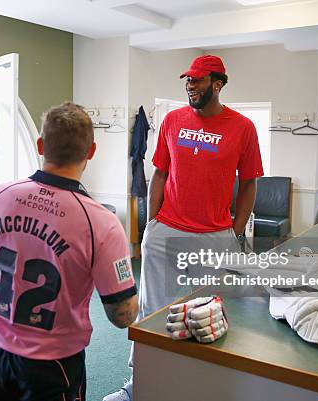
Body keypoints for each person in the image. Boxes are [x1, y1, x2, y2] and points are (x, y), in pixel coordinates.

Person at [104, 55, 264, 401]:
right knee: (152, 313)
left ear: (217, 84)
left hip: (215, 237)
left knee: (210, 314)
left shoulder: (243, 127)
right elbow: (160, 173)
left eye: (198, 80)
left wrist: (234, 231)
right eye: (188, 80)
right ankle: (139, 384)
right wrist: (152, 225)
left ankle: (200, 386)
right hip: (166, 234)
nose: (190, 85)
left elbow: (249, 183)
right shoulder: (173, 121)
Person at [0, 101, 139, 401]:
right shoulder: (102, 223)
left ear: (41, 145)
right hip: (53, 362)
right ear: (91, 152)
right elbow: (122, 315)